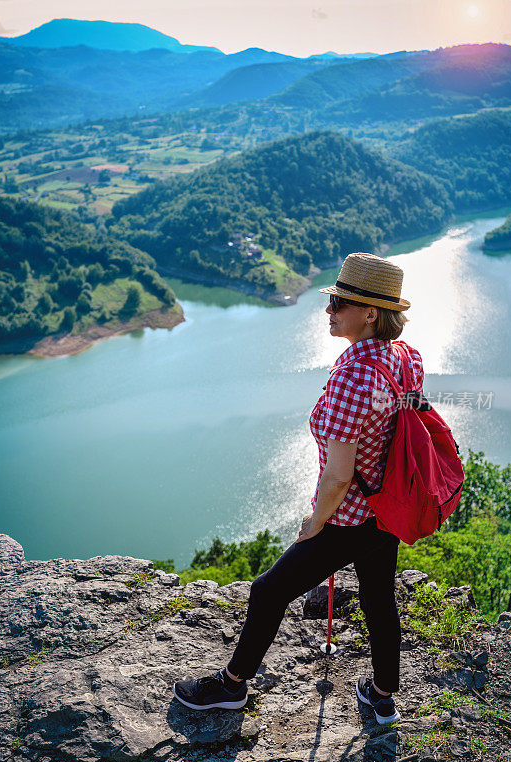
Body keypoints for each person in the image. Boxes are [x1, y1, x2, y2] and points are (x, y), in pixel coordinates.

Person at [173, 252, 424, 725]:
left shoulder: (354, 374)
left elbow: (339, 474)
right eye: (331, 300)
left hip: (348, 517)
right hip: (387, 509)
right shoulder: (404, 357)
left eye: (339, 303)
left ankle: (231, 687)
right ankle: (382, 694)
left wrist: (317, 522)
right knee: (378, 598)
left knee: (268, 592)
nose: (328, 310)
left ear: (371, 312)